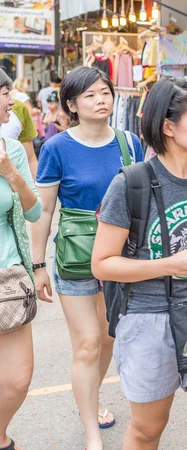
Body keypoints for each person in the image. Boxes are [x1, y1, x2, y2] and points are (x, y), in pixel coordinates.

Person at [92, 76, 187, 450]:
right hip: (149, 319)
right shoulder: (132, 183)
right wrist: (169, 264)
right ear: (169, 126)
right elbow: (103, 264)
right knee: (147, 432)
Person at [31, 66, 144, 450]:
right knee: (87, 344)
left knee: (110, 336)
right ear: (72, 105)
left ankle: (91, 400)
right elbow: (44, 211)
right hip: (76, 257)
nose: (101, 100)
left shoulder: (130, 142)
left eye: (105, 92)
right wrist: (38, 265)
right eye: (91, 95)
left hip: (120, 257)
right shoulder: (57, 147)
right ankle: (91, 435)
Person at [0, 67, 44, 450]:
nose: (11, 101)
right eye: (4, 93)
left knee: (17, 379)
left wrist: (11, 172)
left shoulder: (10, 148)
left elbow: (33, 212)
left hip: (8, 279)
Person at [0, 98, 38, 176]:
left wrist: (35, 186)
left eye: (8, 93)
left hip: (17, 182)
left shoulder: (20, 108)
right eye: (5, 94)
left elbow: (31, 159)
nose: (11, 102)